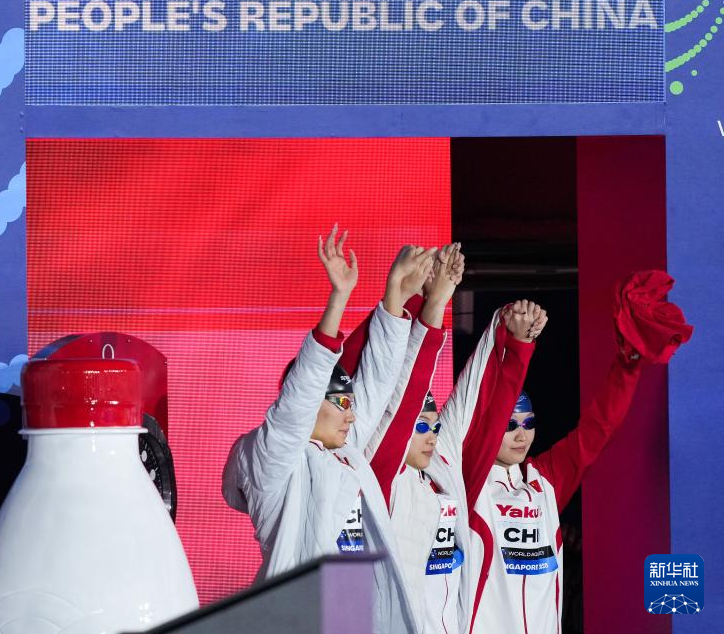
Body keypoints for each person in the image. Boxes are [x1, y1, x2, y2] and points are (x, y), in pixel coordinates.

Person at [222, 225, 435, 634]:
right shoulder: (275, 462)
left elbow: (378, 380)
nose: (352, 416)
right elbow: (300, 395)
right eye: (341, 403)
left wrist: (396, 297)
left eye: (351, 405)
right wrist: (339, 298)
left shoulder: (345, 455)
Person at [467, 270, 692, 634]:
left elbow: (598, 428)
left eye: (528, 422)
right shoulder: (468, 481)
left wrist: (628, 363)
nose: (522, 434)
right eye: (510, 425)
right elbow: (486, 401)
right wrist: (516, 343)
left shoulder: (545, 480)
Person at [344, 244, 548, 634]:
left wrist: (513, 340)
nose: (432, 435)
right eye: (420, 426)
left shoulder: (443, 469)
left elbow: (476, 402)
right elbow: (398, 383)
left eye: (434, 426)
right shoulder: (381, 475)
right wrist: (420, 301)